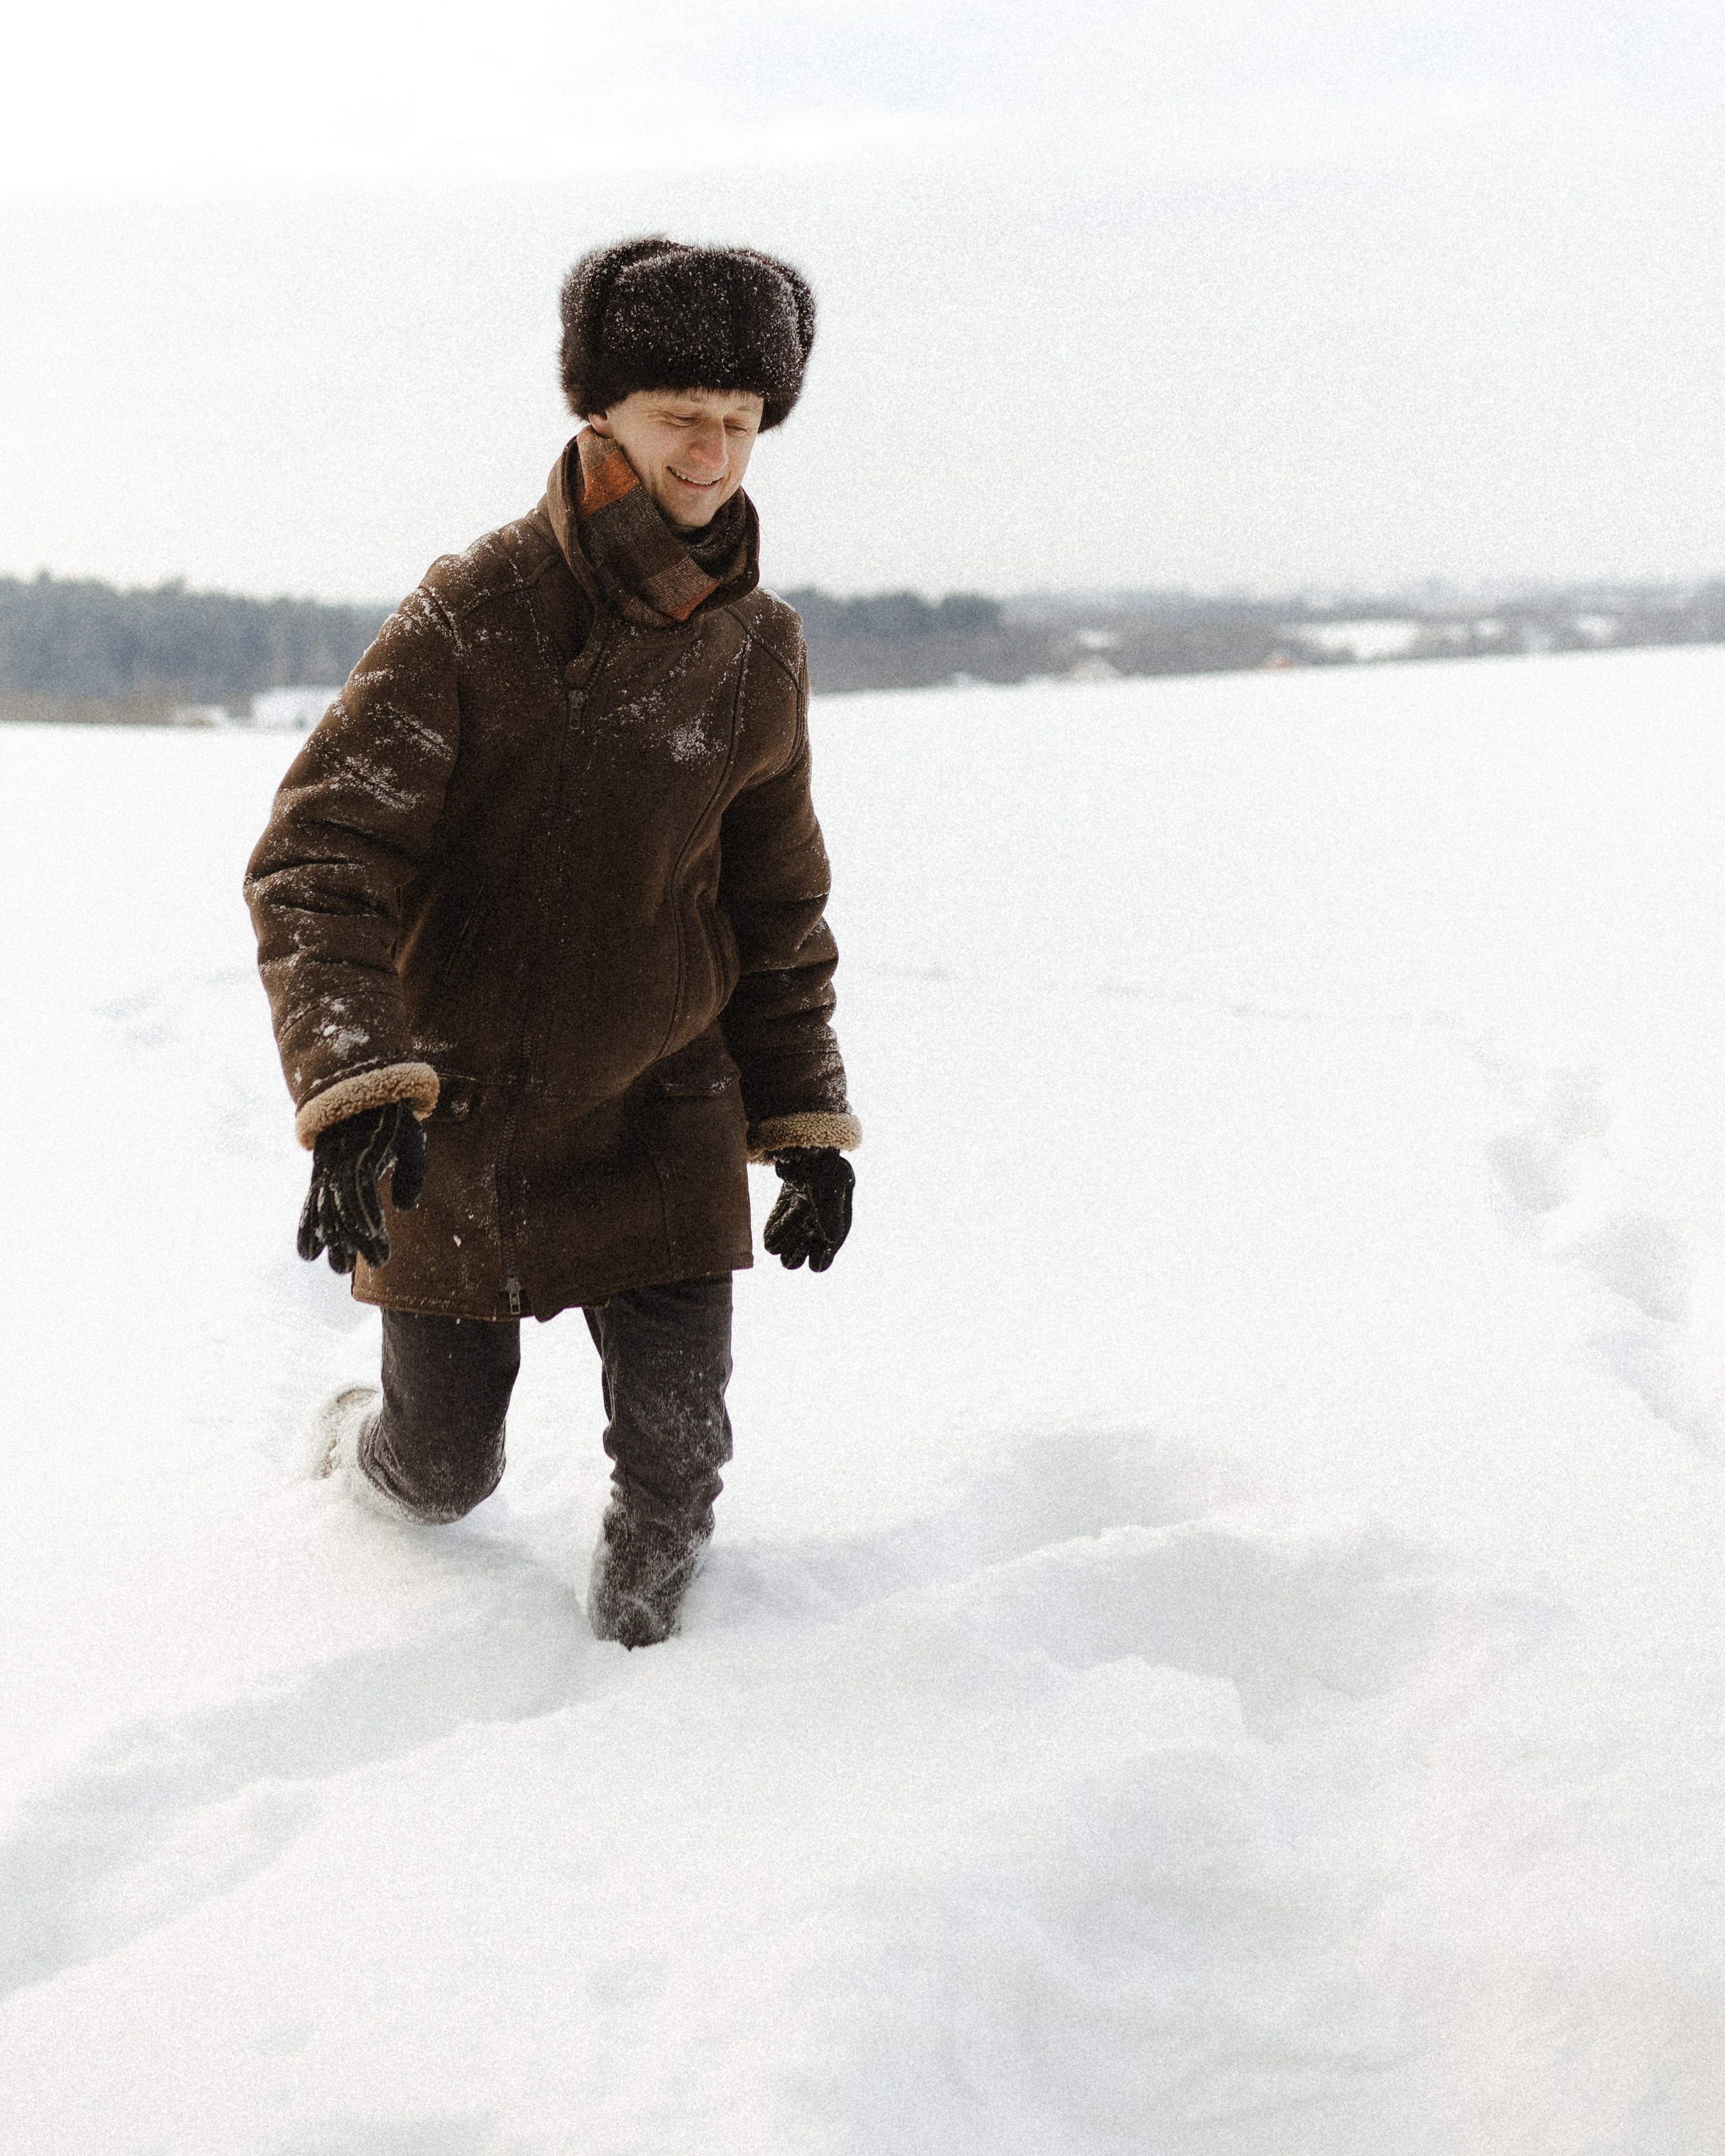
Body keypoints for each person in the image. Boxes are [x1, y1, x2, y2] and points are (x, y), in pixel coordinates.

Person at [245, 236, 859, 1649]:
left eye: (740, 422)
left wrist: (807, 1120)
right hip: (462, 1125)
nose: (711, 454)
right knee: (442, 1471)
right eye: (680, 416)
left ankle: (657, 1711)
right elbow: (321, 857)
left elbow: (776, 908)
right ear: (602, 414)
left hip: (664, 1107)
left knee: (675, 1476)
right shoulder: (479, 610)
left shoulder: (761, 651)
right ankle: (354, 1446)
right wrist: (354, 1085)